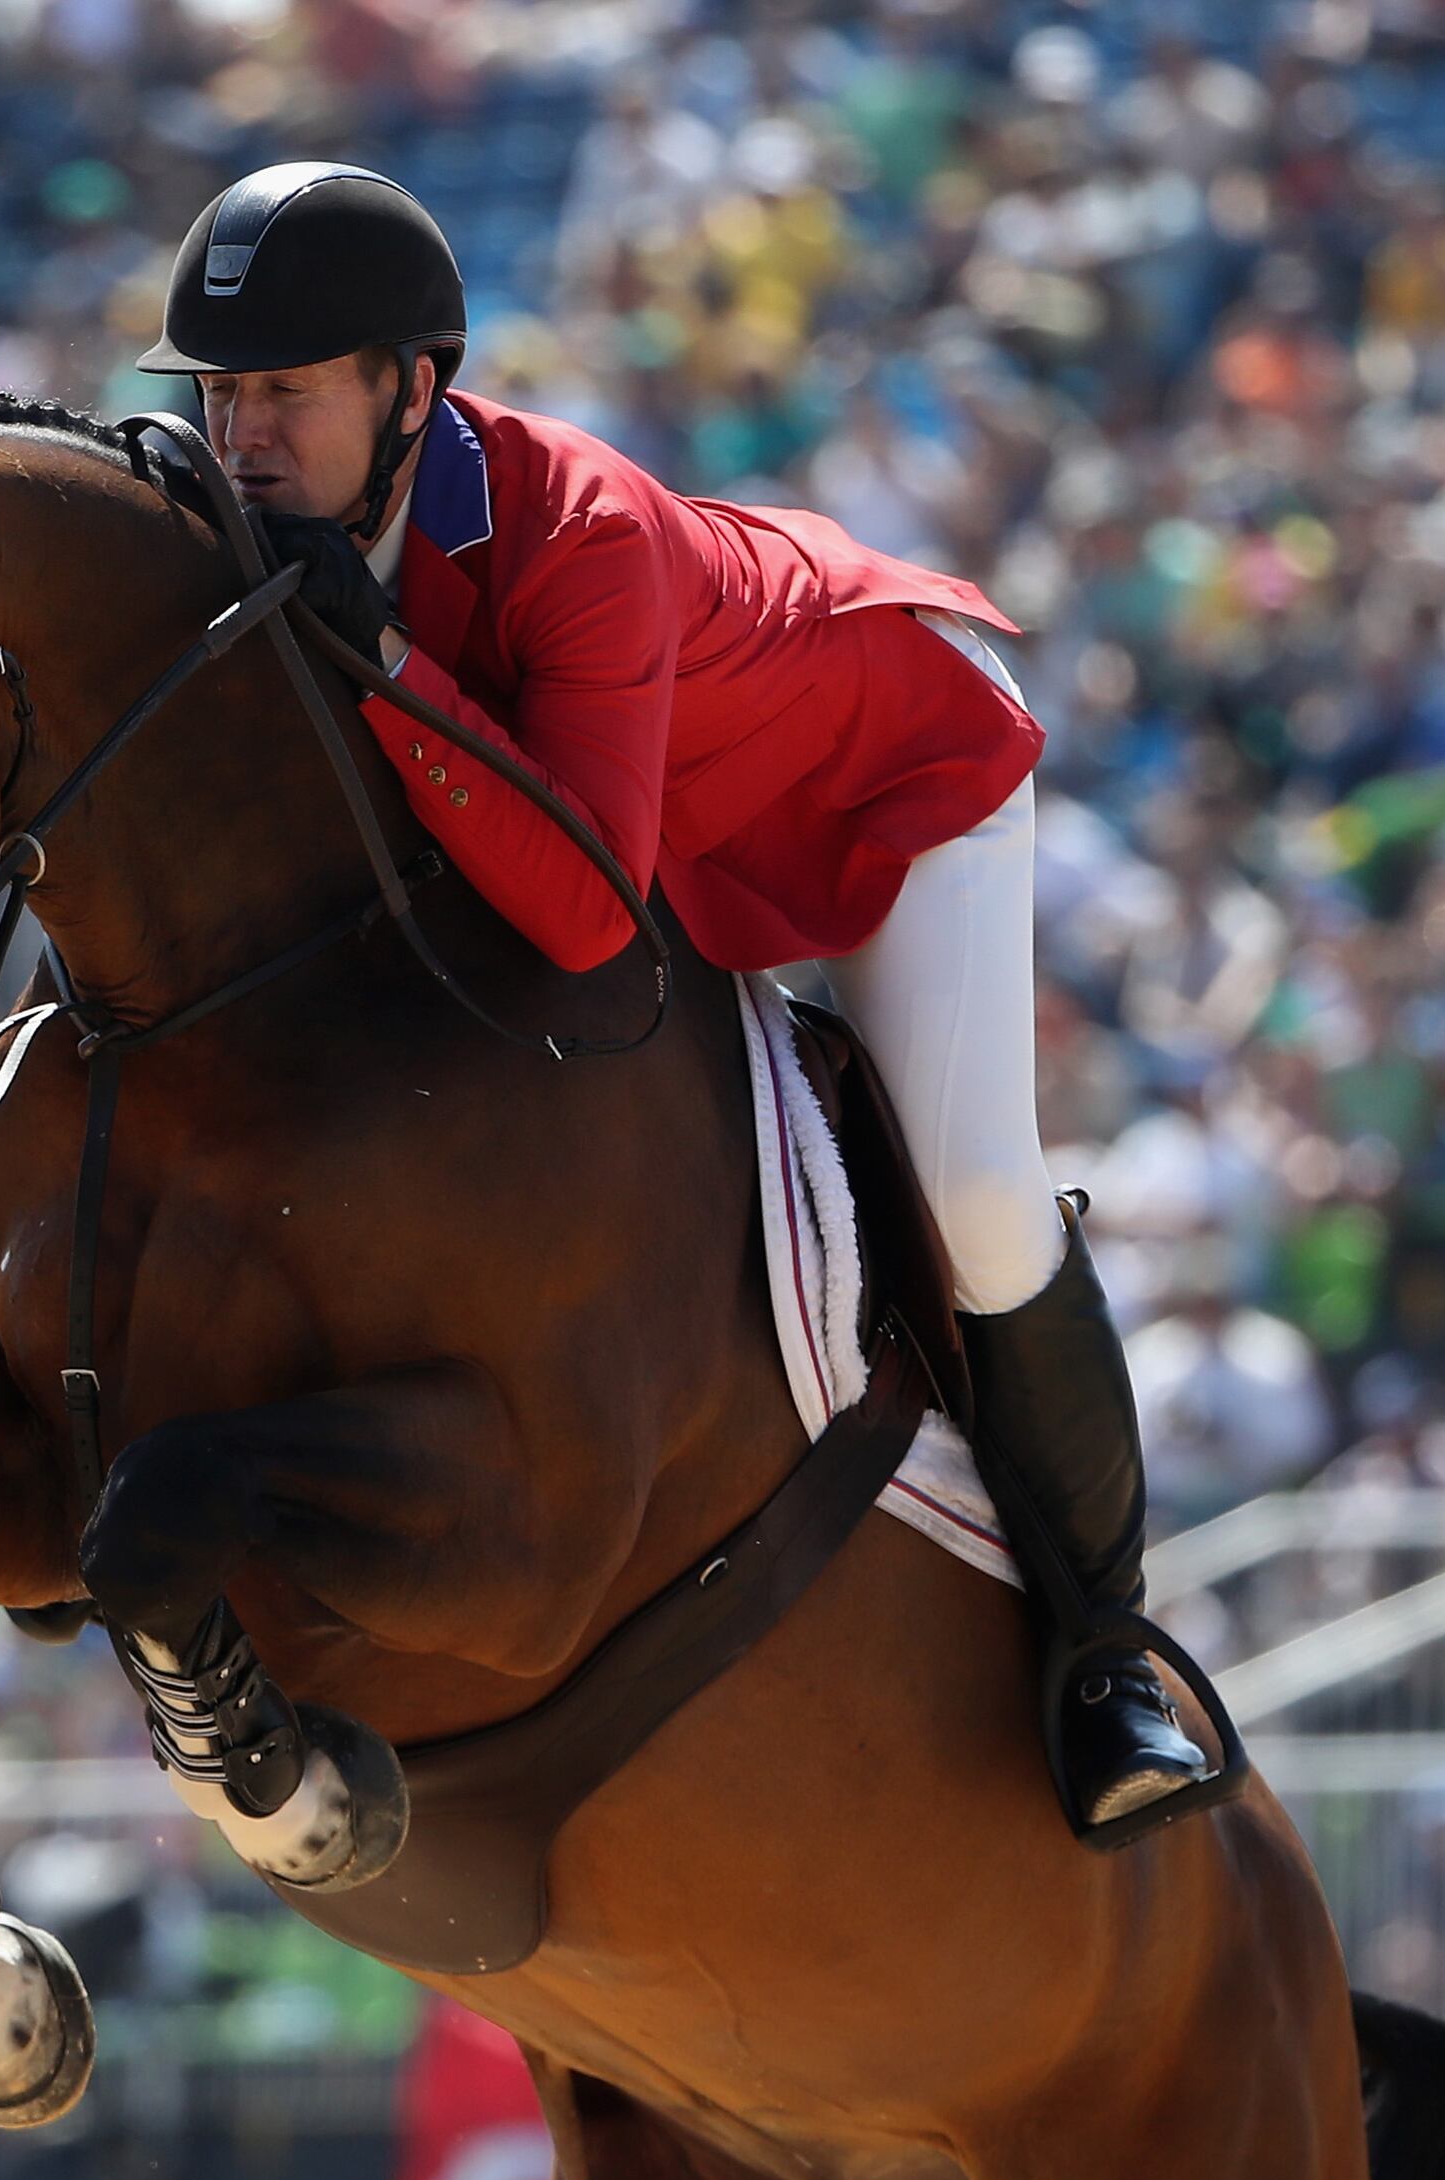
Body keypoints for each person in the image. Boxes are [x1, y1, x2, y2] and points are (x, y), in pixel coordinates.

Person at [140, 162, 1225, 1846]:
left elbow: (576, 913)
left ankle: (1108, 1653)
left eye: (281, 393)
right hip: (673, 837)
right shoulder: (286, 530)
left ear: (411, 388)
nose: (242, 436)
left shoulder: (578, 530)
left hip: (889, 777)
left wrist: (383, 663)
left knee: (981, 1193)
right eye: (219, 396)